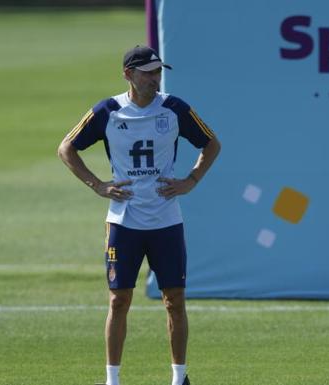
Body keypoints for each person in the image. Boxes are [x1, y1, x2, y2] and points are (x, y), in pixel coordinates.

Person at [57, 45, 221, 385]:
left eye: (158, 71)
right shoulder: (108, 110)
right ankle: (112, 380)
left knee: (174, 299)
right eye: (148, 72)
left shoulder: (175, 109)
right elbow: (66, 147)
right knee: (119, 300)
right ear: (128, 75)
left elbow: (211, 144)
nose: (155, 78)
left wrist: (190, 180)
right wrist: (96, 184)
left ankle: (179, 377)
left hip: (166, 221)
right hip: (123, 221)